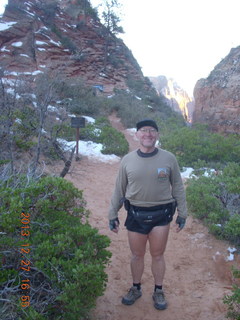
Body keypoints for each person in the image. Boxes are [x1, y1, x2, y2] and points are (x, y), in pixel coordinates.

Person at [108, 119, 187, 310]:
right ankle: (136, 288)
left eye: (152, 130)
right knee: (137, 255)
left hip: (161, 214)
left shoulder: (169, 159)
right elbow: (120, 189)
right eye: (144, 131)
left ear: (157, 134)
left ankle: (158, 290)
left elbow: (177, 186)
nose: (148, 134)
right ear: (137, 135)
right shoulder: (127, 160)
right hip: (136, 214)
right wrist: (113, 214)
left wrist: (182, 213)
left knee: (158, 255)